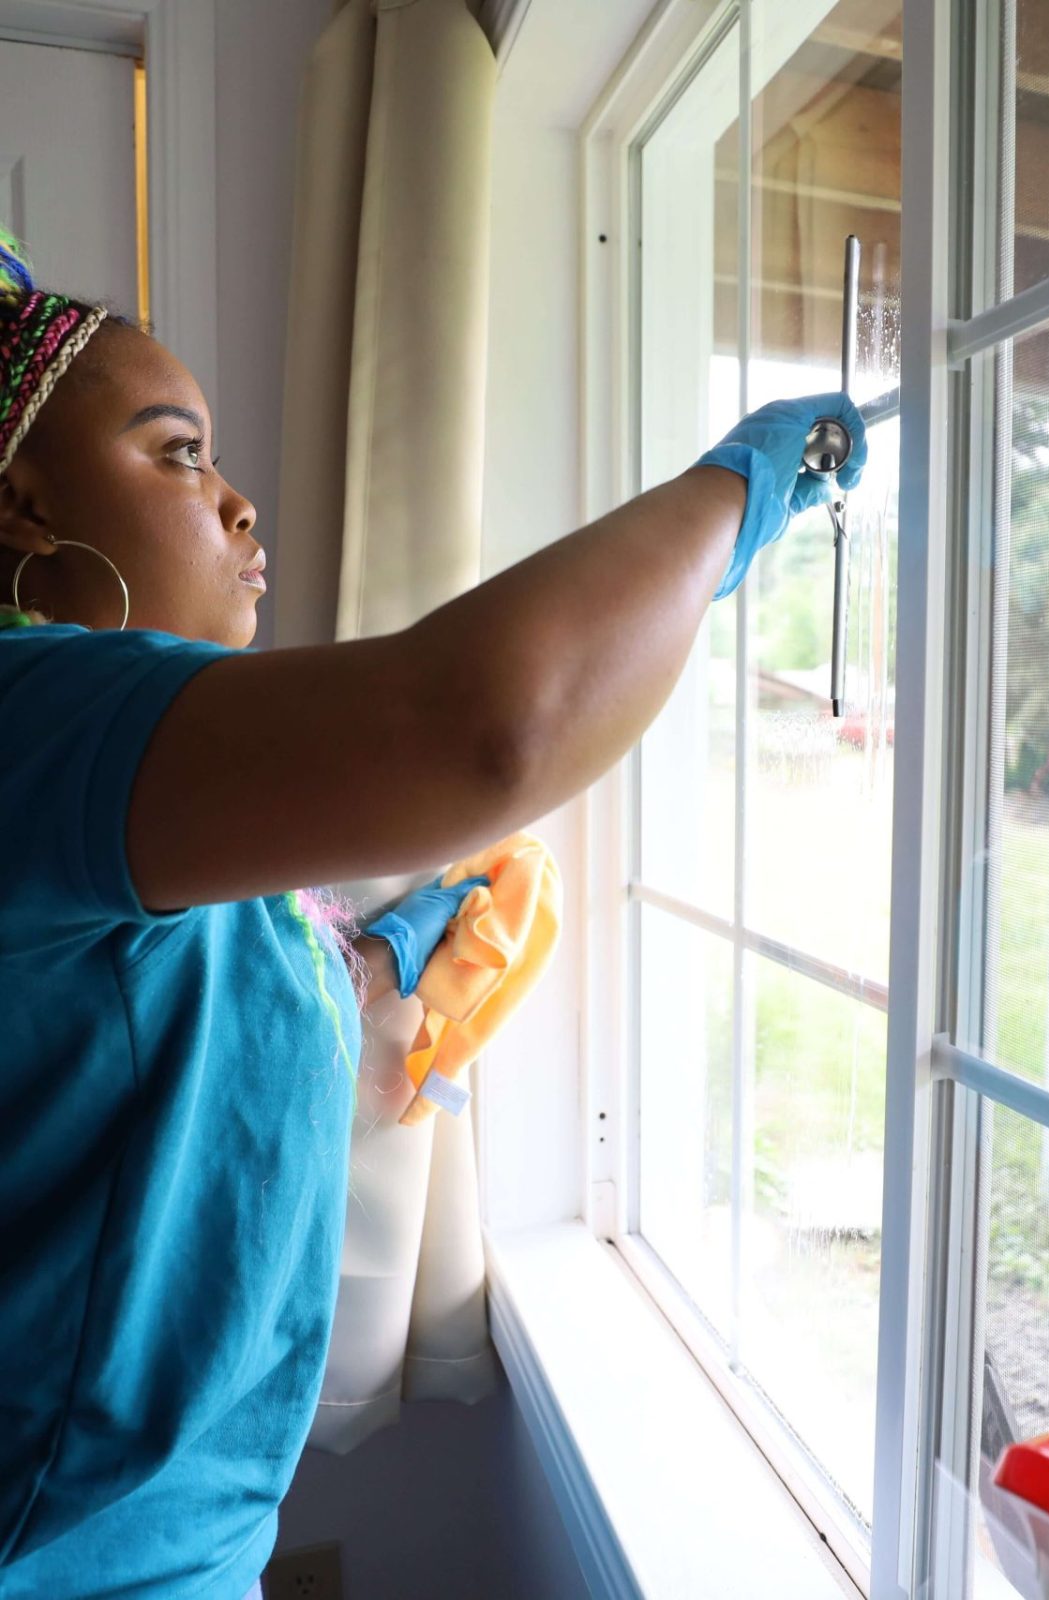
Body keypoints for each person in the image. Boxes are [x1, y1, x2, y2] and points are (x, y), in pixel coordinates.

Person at [0, 231, 865, 1600]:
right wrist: (738, 498)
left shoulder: (121, 776)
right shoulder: (28, 707)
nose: (237, 505)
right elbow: (486, 728)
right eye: (175, 452)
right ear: (20, 512)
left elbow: (124, 1062)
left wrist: (368, 978)